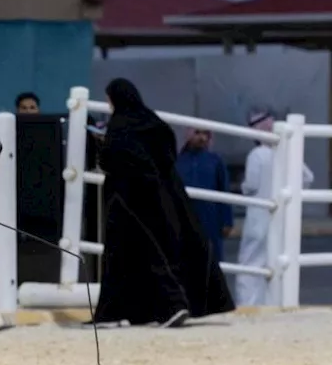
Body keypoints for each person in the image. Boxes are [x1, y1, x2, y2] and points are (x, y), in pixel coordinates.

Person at [92, 78, 234, 327]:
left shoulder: (120, 126)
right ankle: (151, 310)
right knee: (166, 251)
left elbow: (112, 161)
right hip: (167, 199)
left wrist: (100, 149)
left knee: (139, 255)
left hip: (130, 203)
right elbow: (166, 157)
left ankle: (167, 307)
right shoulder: (155, 123)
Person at [235, 108, 313, 305]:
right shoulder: (285, 154)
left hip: (257, 217)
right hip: (281, 218)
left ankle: (248, 305)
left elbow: (250, 185)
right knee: (275, 263)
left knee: (250, 264)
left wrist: (242, 187)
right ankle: (272, 304)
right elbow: (307, 177)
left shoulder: (256, 154)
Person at [174, 128, 233, 264]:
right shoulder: (177, 161)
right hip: (184, 216)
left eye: (206, 134)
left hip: (210, 217)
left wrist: (226, 221)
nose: (202, 138)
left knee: (211, 259)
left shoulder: (215, 161)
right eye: (198, 133)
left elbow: (223, 189)